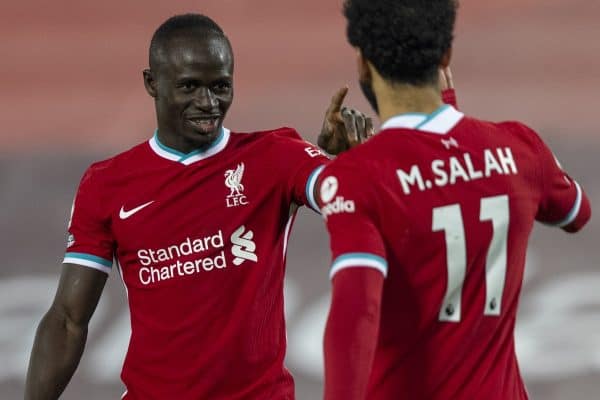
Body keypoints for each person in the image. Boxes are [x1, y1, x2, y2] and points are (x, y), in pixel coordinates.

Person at [24, 13, 377, 400]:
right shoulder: (107, 184)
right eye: (190, 86)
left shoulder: (273, 157)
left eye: (221, 86)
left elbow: (352, 200)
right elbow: (68, 320)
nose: (208, 103)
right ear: (152, 83)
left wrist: (351, 166)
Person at [318, 1, 592, 399]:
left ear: (361, 62)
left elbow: (356, 313)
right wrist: (451, 119)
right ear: (446, 53)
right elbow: (576, 212)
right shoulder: (520, 148)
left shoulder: (359, 178)